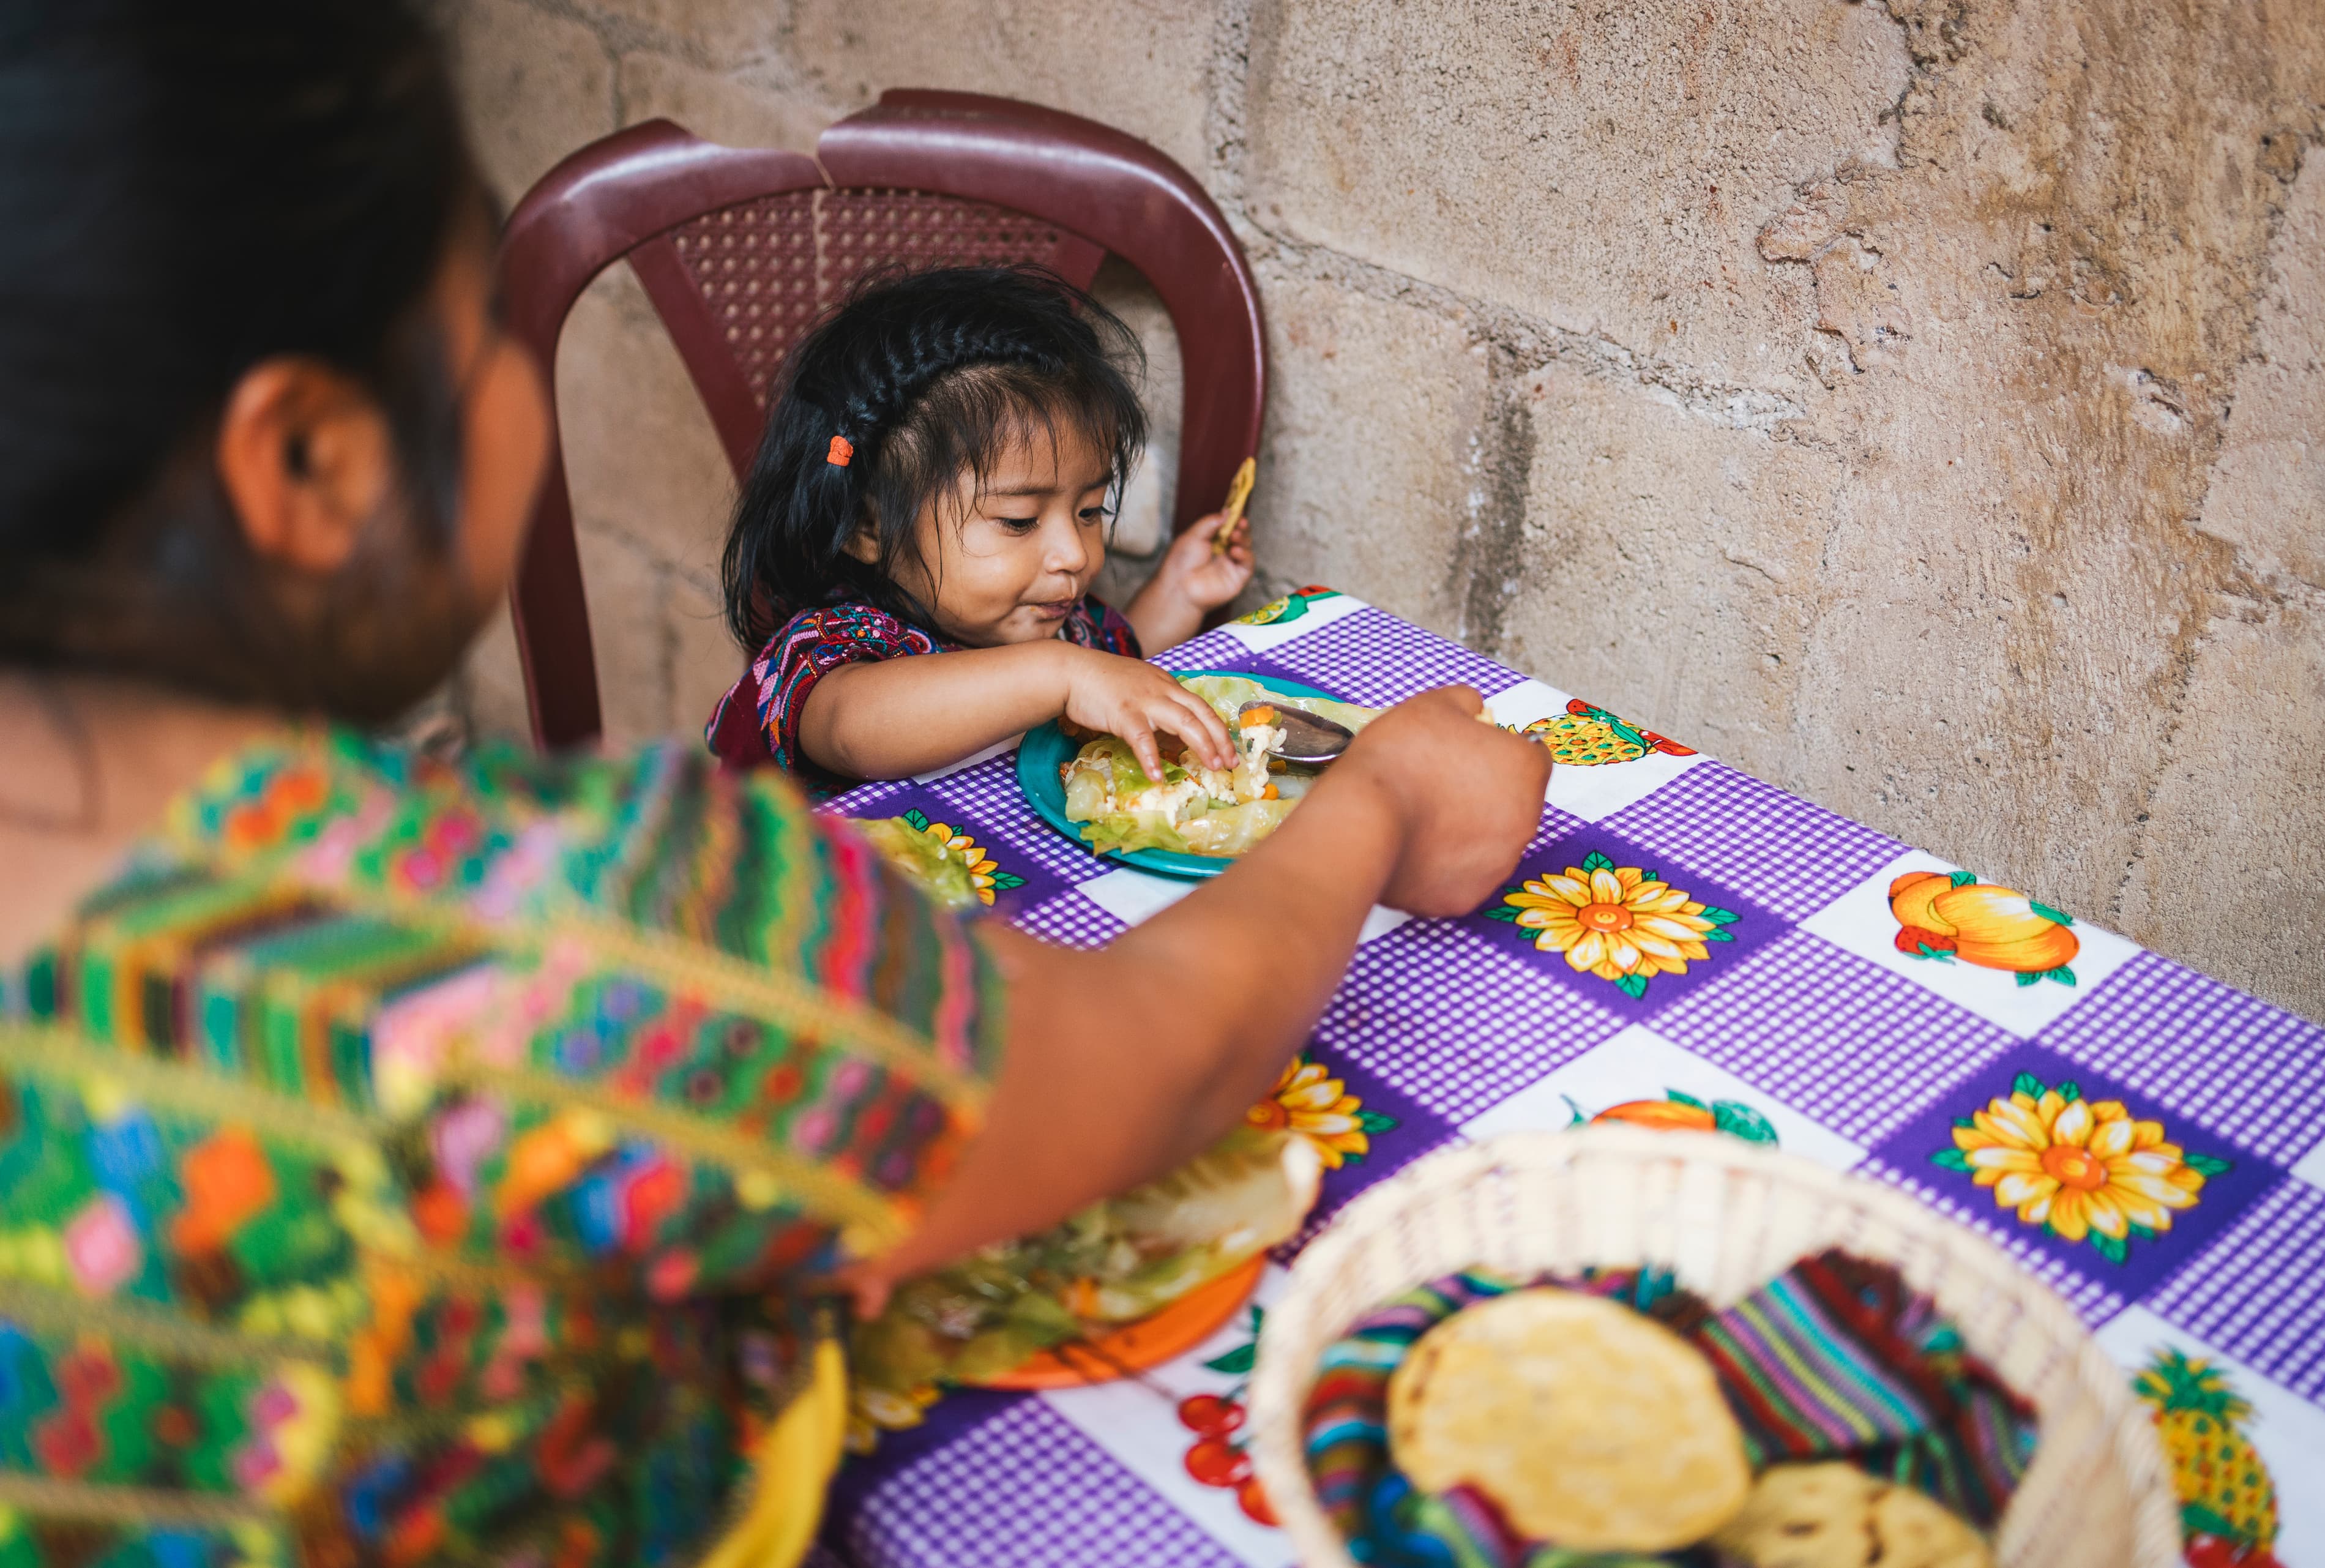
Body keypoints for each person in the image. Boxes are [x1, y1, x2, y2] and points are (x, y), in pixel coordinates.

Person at [0, 5, 1547, 1566]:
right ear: (312, 460)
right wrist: (1383, 802)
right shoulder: (582, 941)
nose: (1067, 554)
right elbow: (1157, 1061)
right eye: (476, 317)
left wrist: (1138, 633)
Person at [703, 265, 1256, 794]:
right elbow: (852, 733)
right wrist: (1064, 676)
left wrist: (1180, 594)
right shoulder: (833, 655)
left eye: (1090, 511)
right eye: (1019, 521)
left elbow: (1118, 676)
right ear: (868, 526)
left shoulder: (1055, 629)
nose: (1074, 554)